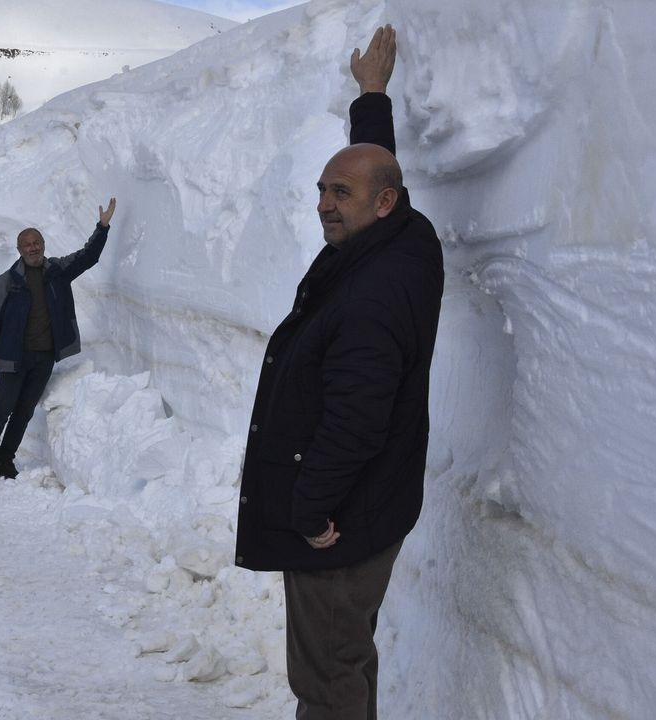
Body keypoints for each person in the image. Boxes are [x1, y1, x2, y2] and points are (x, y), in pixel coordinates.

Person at [234, 26, 444, 720]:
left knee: (326, 678)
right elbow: (379, 170)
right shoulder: (404, 237)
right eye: (323, 188)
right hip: (376, 503)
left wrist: (307, 508)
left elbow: (357, 417)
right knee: (347, 657)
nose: (325, 202)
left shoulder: (371, 298)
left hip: (340, 524)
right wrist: (373, 98)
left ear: (381, 204)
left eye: (340, 194)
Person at [0, 198, 117, 481]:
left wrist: (102, 227)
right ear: (19, 250)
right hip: (13, 357)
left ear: (43, 245)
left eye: (37, 242)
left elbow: (88, 257)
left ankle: (5, 460)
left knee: (25, 411)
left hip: (44, 356)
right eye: (28, 244)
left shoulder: (57, 271)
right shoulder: (6, 281)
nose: (34, 247)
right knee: (2, 409)